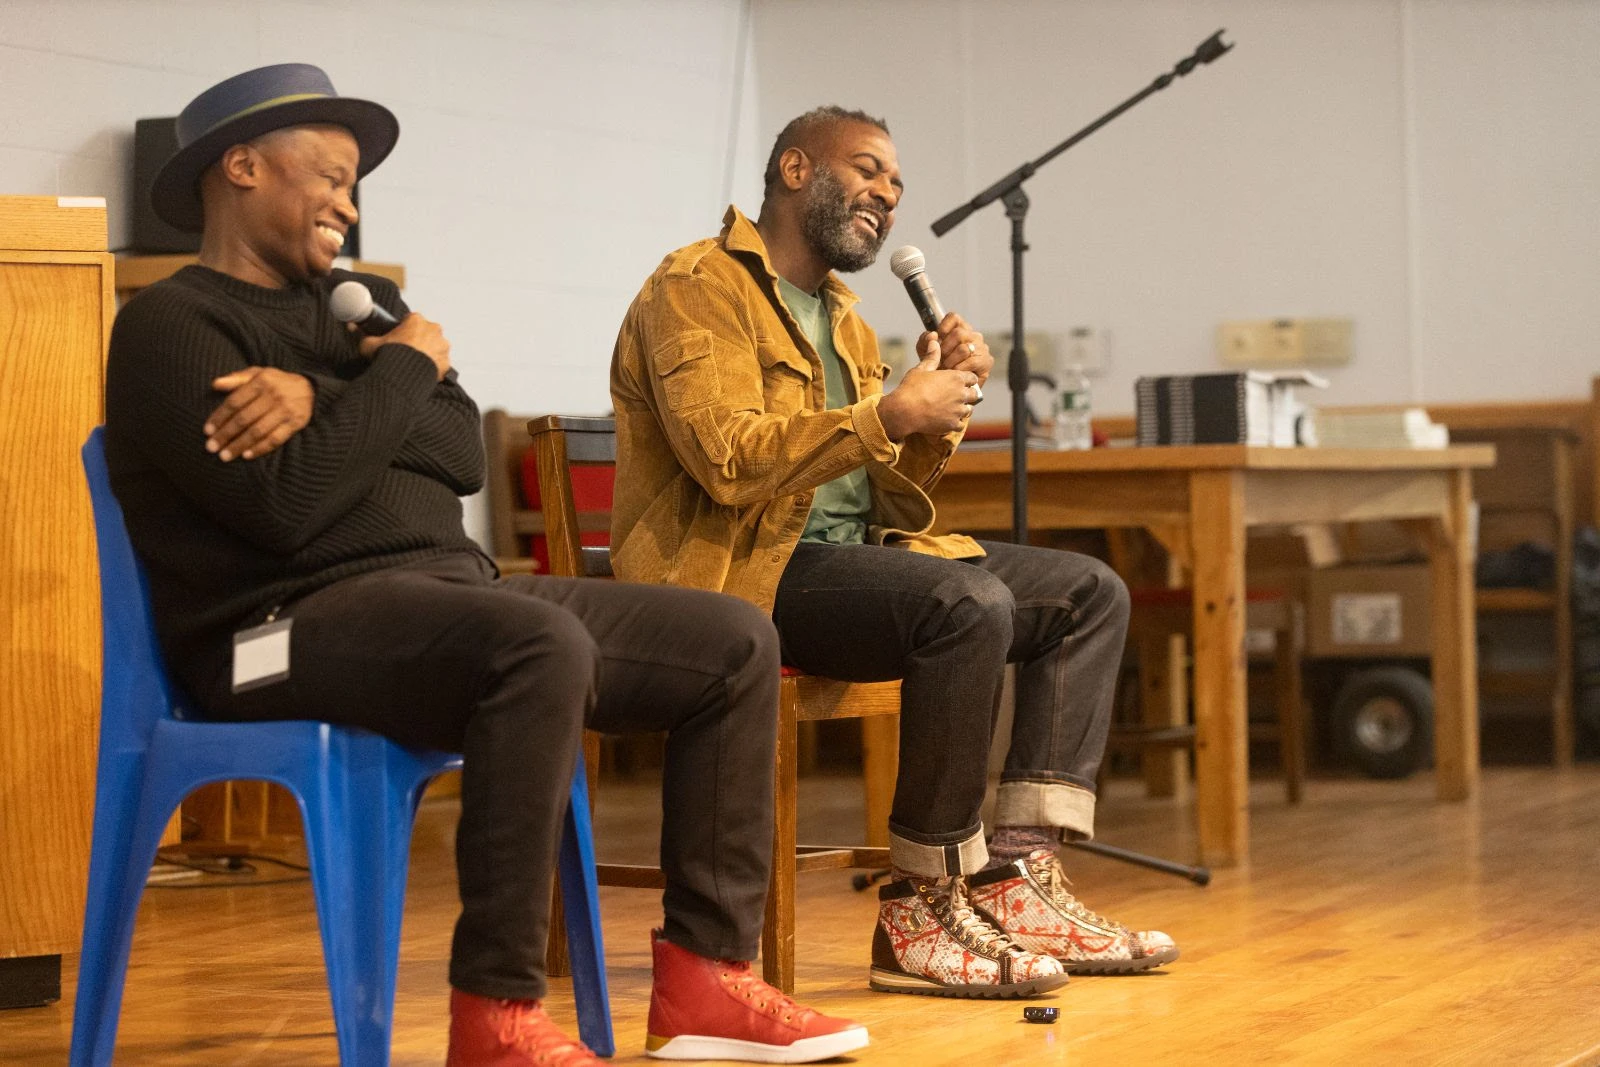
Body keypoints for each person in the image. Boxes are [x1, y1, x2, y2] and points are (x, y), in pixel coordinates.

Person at [105, 65, 867, 1066]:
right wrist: (407, 364)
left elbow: (457, 449)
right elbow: (286, 507)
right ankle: (495, 1015)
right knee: (535, 640)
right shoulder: (172, 324)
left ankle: (702, 977)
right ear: (240, 167)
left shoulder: (354, 308)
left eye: (354, 182)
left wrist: (321, 397)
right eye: (327, 176)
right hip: (267, 632)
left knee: (731, 637)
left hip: (442, 596)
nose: (347, 201)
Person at [611, 106, 1178, 999]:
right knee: (966, 605)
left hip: (844, 557)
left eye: (897, 184)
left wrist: (931, 414)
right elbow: (726, 460)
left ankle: (1014, 877)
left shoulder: (845, 317)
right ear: (796, 169)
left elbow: (883, 494)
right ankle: (920, 903)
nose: (887, 194)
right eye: (868, 170)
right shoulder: (698, 285)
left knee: (1088, 592)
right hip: (741, 575)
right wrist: (889, 412)